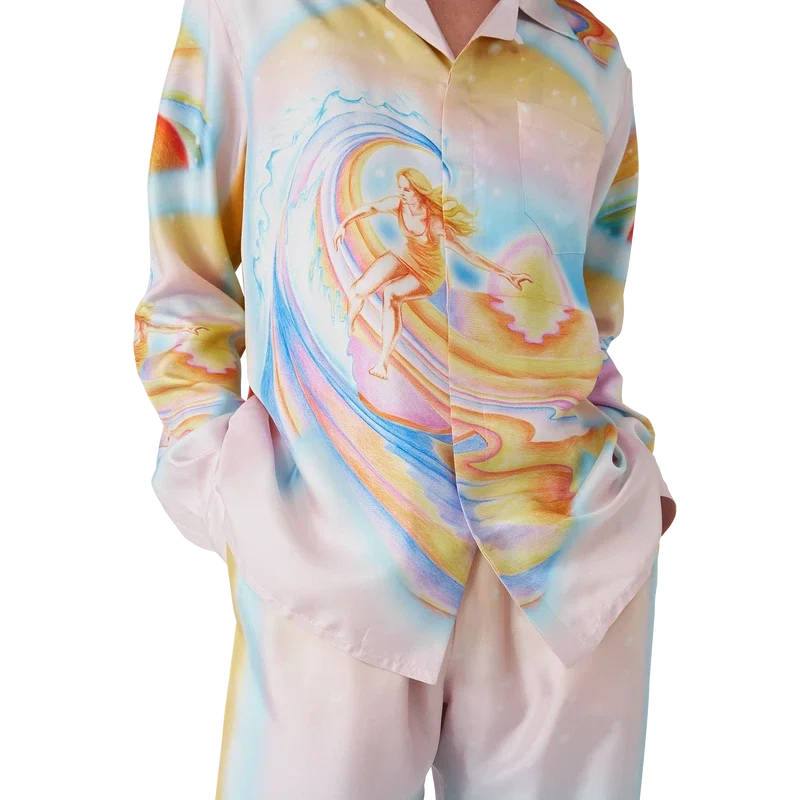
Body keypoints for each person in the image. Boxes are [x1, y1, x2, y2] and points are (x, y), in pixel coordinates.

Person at [134, 0, 678, 797]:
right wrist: (222, 487)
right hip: (331, 560)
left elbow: (591, 312)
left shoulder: (589, 49)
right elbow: (184, 287)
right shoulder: (250, 15)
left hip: (567, 566)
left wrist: (638, 479)